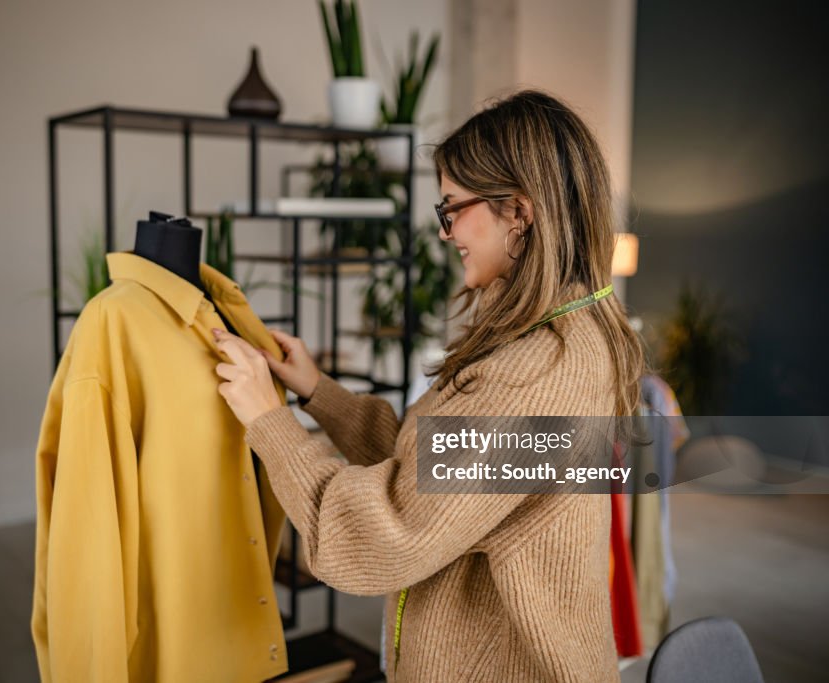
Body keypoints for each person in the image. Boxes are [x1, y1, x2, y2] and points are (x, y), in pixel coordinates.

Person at [212, 89, 644, 682]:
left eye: (451, 208)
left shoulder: (535, 374)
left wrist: (270, 422)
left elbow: (383, 536)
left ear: (518, 211)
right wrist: (320, 393)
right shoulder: (566, 332)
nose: (444, 233)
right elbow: (435, 466)